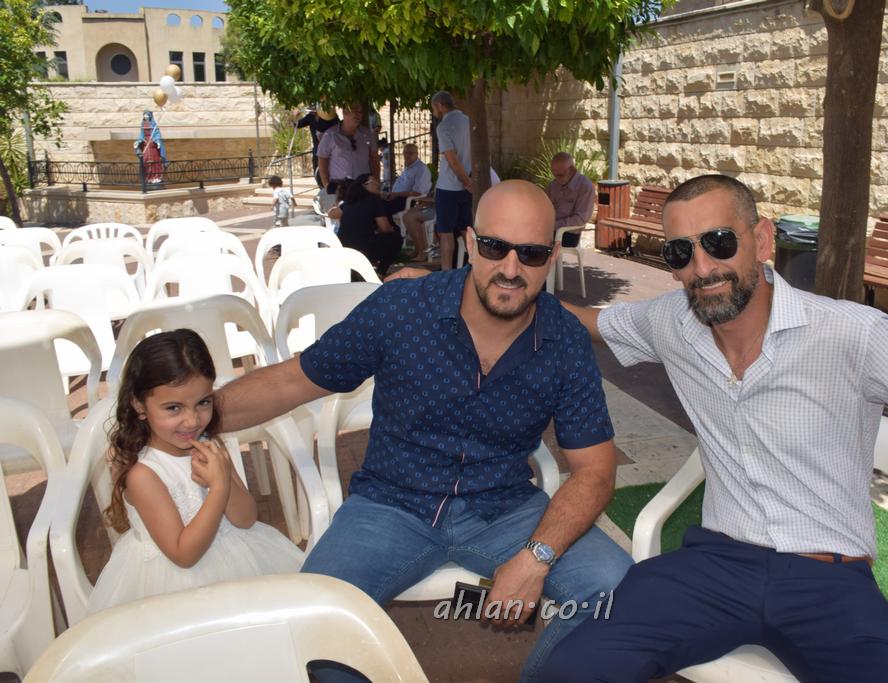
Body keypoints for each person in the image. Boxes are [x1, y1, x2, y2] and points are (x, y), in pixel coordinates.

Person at [540, 174, 888, 682]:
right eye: (680, 252)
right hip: (713, 568)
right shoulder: (672, 322)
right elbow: (586, 323)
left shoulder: (853, 333)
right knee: (572, 668)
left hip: (829, 581)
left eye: (720, 242)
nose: (702, 267)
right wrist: (512, 275)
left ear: (762, 240)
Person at [215, 180, 633, 682]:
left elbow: (595, 471)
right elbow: (293, 380)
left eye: (531, 253)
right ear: (471, 242)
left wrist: (535, 557)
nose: (510, 268)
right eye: (495, 247)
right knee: (313, 625)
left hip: (504, 507)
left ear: (551, 257)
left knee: (614, 590)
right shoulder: (403, 308)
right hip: (391, 504)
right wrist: (199, 415)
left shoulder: (564, 341)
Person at [88, 329, 303, 614]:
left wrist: (223, 479)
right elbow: (184, 554)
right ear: (139, 405)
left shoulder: (209, 445)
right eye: (173, 408)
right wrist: (218, 489)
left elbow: (245, 519)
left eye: (203, 403)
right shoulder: (144, 474)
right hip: (175, 586)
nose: (192, 421)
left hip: (238, 558)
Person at [431, 91, 473, 270]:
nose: (434, 111)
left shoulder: (444, 126)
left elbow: (452, 159)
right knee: (467, 231)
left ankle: (446, 274)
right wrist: (469, 182)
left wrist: (466, 182)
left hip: (449, 187)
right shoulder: (468, 121)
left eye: (433, 107)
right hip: (467, 186)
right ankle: (475, 271)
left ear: (440, 105)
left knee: (446, 234)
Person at [337, 173, 403, 278]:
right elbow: (385, 228)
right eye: (374, 181)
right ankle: (380, 272)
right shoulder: (374, 200)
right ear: (364, 185)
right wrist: (392, 229)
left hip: (343, 245)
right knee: (396, 238)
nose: (378, 184)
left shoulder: (349, 200)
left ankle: (360, 270)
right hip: (362, 247)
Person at [316, 103, 379, 197]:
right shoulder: (330, 135)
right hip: (340, 189)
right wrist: (327, 185)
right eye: (355, 111)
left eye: (360, 112)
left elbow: (374, 159)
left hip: (363, 188)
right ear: (345, 112)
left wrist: (376, 182)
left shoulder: (367, 134)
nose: (358, 114)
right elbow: (322, 159)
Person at [388, 143, 433, 261]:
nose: (407, 156)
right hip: (396, 198)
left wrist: (397, 194)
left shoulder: (421, 169)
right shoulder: (408, 168)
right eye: (405, 153)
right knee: (375, 205)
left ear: (417, 154)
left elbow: (418, 193)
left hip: (408, 201)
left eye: (410, 153)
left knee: (380, 211)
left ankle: (394, 242)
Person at [546, 152, 594, 248]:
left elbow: (580, 219)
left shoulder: (585, 186)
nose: (557, 179)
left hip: (569, 233)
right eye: (555, 175)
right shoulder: (553, 185)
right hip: (550, 229)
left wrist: (554, 225)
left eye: (560, 175)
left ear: (572, 170)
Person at [295, 106, 340, 188]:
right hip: (317, 149)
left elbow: (338, 128)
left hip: (331, 150)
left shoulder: (330, 114)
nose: (311, 110)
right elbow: (297, 125)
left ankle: (333, 187)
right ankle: (322, 187)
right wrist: (295, 116)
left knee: (331, 169)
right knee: (317, 170)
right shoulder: (310, 117)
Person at [134, 110, 165, 186]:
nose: (145, 116)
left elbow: (157, 133)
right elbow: (141, 134)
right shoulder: (143, 123)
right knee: (145, 160)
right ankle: (148, 177)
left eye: (147, 115)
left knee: (155, 160)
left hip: (152, 144)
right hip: (146, 144)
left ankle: (156, 177)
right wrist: (139, 141)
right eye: (144, 115)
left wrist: (157, 141)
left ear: (150, 116)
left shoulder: (153, 123)